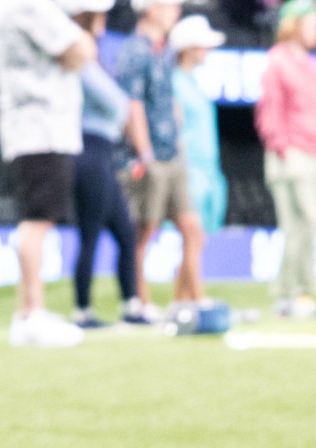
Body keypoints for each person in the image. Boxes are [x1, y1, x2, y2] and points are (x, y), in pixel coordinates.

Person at [0, 0, 97, 346]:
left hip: (33, 127)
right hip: (40, 128)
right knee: (37, 220)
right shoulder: (27, 3)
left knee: (38, 219)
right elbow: (81, 50)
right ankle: (31, 314)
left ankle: (30, 312)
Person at [115, 0, 208, 313]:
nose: (176, 12)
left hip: (172, 155)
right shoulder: (136, 51)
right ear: (152, 8)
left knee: (193, 231)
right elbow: (133, 106)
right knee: (144, 232)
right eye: (171, 5)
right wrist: (146, 154)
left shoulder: (161, 51)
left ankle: (188, 301)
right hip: (150, 159)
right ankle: (140, 302)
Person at [67, 1, 141, 329]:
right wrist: (122, 106)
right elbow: (117, 104)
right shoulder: (79, 58)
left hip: (103, 153)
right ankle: (83, 311)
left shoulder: (93, 56)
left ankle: (131, 305)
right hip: (90, 151)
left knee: (126, 234)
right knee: (91, 235)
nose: (106, 19)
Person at [255, 0, 316, 317]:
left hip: (314, 154)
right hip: (290, 155)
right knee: (303, 223)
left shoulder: (313, 65)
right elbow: (269, 112)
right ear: (295, 25)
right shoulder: (277, 62)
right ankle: (295, 291)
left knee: (306, 226)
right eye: (314, 23)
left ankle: (292, 294)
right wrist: (282, 147)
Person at [172, 15, 230, 237]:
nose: (209, 50)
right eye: (204, 46)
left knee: (199, 241)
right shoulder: (174, 82)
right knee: (191, 239)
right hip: (189, 172)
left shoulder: (194, 82)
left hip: (209, 171)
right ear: (189, 48)